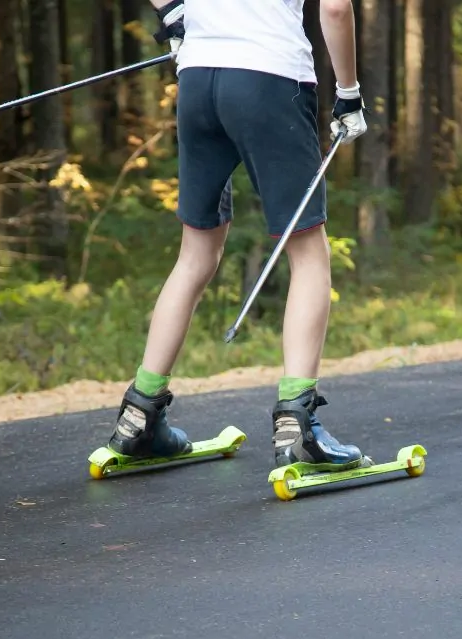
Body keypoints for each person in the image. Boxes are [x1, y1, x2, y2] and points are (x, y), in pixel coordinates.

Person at [105, 0, 368, 471]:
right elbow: (335, 8)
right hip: (270, 79)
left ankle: (139, 415)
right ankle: (297, 424)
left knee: (194, 255)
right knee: (308, 252)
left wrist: (172, 16)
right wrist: (348, 92)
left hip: (199, 78)